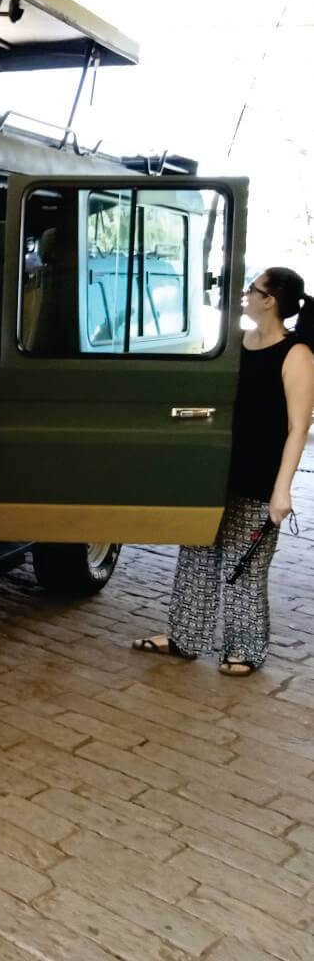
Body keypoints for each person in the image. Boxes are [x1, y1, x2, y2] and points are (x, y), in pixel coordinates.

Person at [133, 267, 314, 676]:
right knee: (196, 557)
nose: (245, 294)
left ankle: (244, 650)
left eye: (252, 289)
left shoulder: (297, 354)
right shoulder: (232, 343)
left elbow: (298, 427)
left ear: (270, 301)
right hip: (214, 471)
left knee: (243, 569)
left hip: (259, 478)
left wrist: (282, 490)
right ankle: (185, 638)